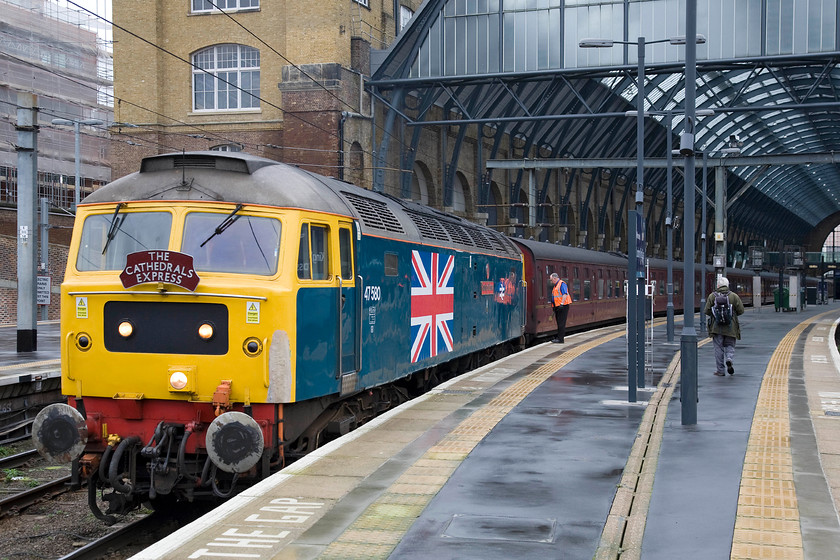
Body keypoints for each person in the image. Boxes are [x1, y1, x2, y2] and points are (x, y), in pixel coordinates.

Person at [704, 276, 745, 376]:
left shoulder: (712, 296)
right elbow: (741, 310)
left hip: (717, 327)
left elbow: (707, 311)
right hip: (731, 327)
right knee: (730, 345)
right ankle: (729, 359)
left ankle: (720, 370)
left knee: (718, 348)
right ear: (727, 285)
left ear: (718, 286)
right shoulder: (734, 296)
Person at [549, 273, 571, 343]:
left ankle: (560, 339)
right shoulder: (556, 286)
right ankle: (559, 337)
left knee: (561, 323)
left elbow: (565, 294)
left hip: (563, 306)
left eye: (551, 280)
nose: (551, 282)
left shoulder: (562, 284)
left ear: (555, 278)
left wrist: (561, 304)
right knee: (559, 323)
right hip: (558, 307)